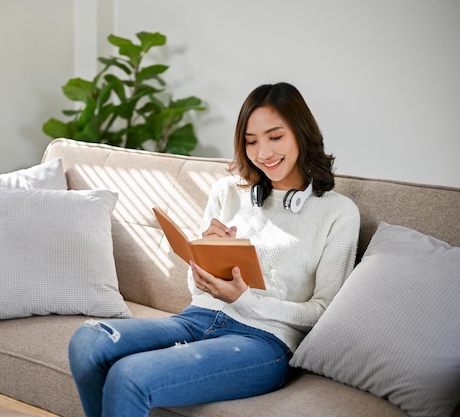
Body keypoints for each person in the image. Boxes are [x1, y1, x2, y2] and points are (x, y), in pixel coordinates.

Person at [68, 82, 360, 417]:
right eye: (251, 141)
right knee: (88, 342)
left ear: (301, 132)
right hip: (197, 318)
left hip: (263, 342)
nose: (263, 152)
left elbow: (322, 313)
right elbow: (196, 289)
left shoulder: (338, 213)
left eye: (275, 137)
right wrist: (205, 260)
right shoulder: (228, 192)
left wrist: (243, 299)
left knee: (130, 375)